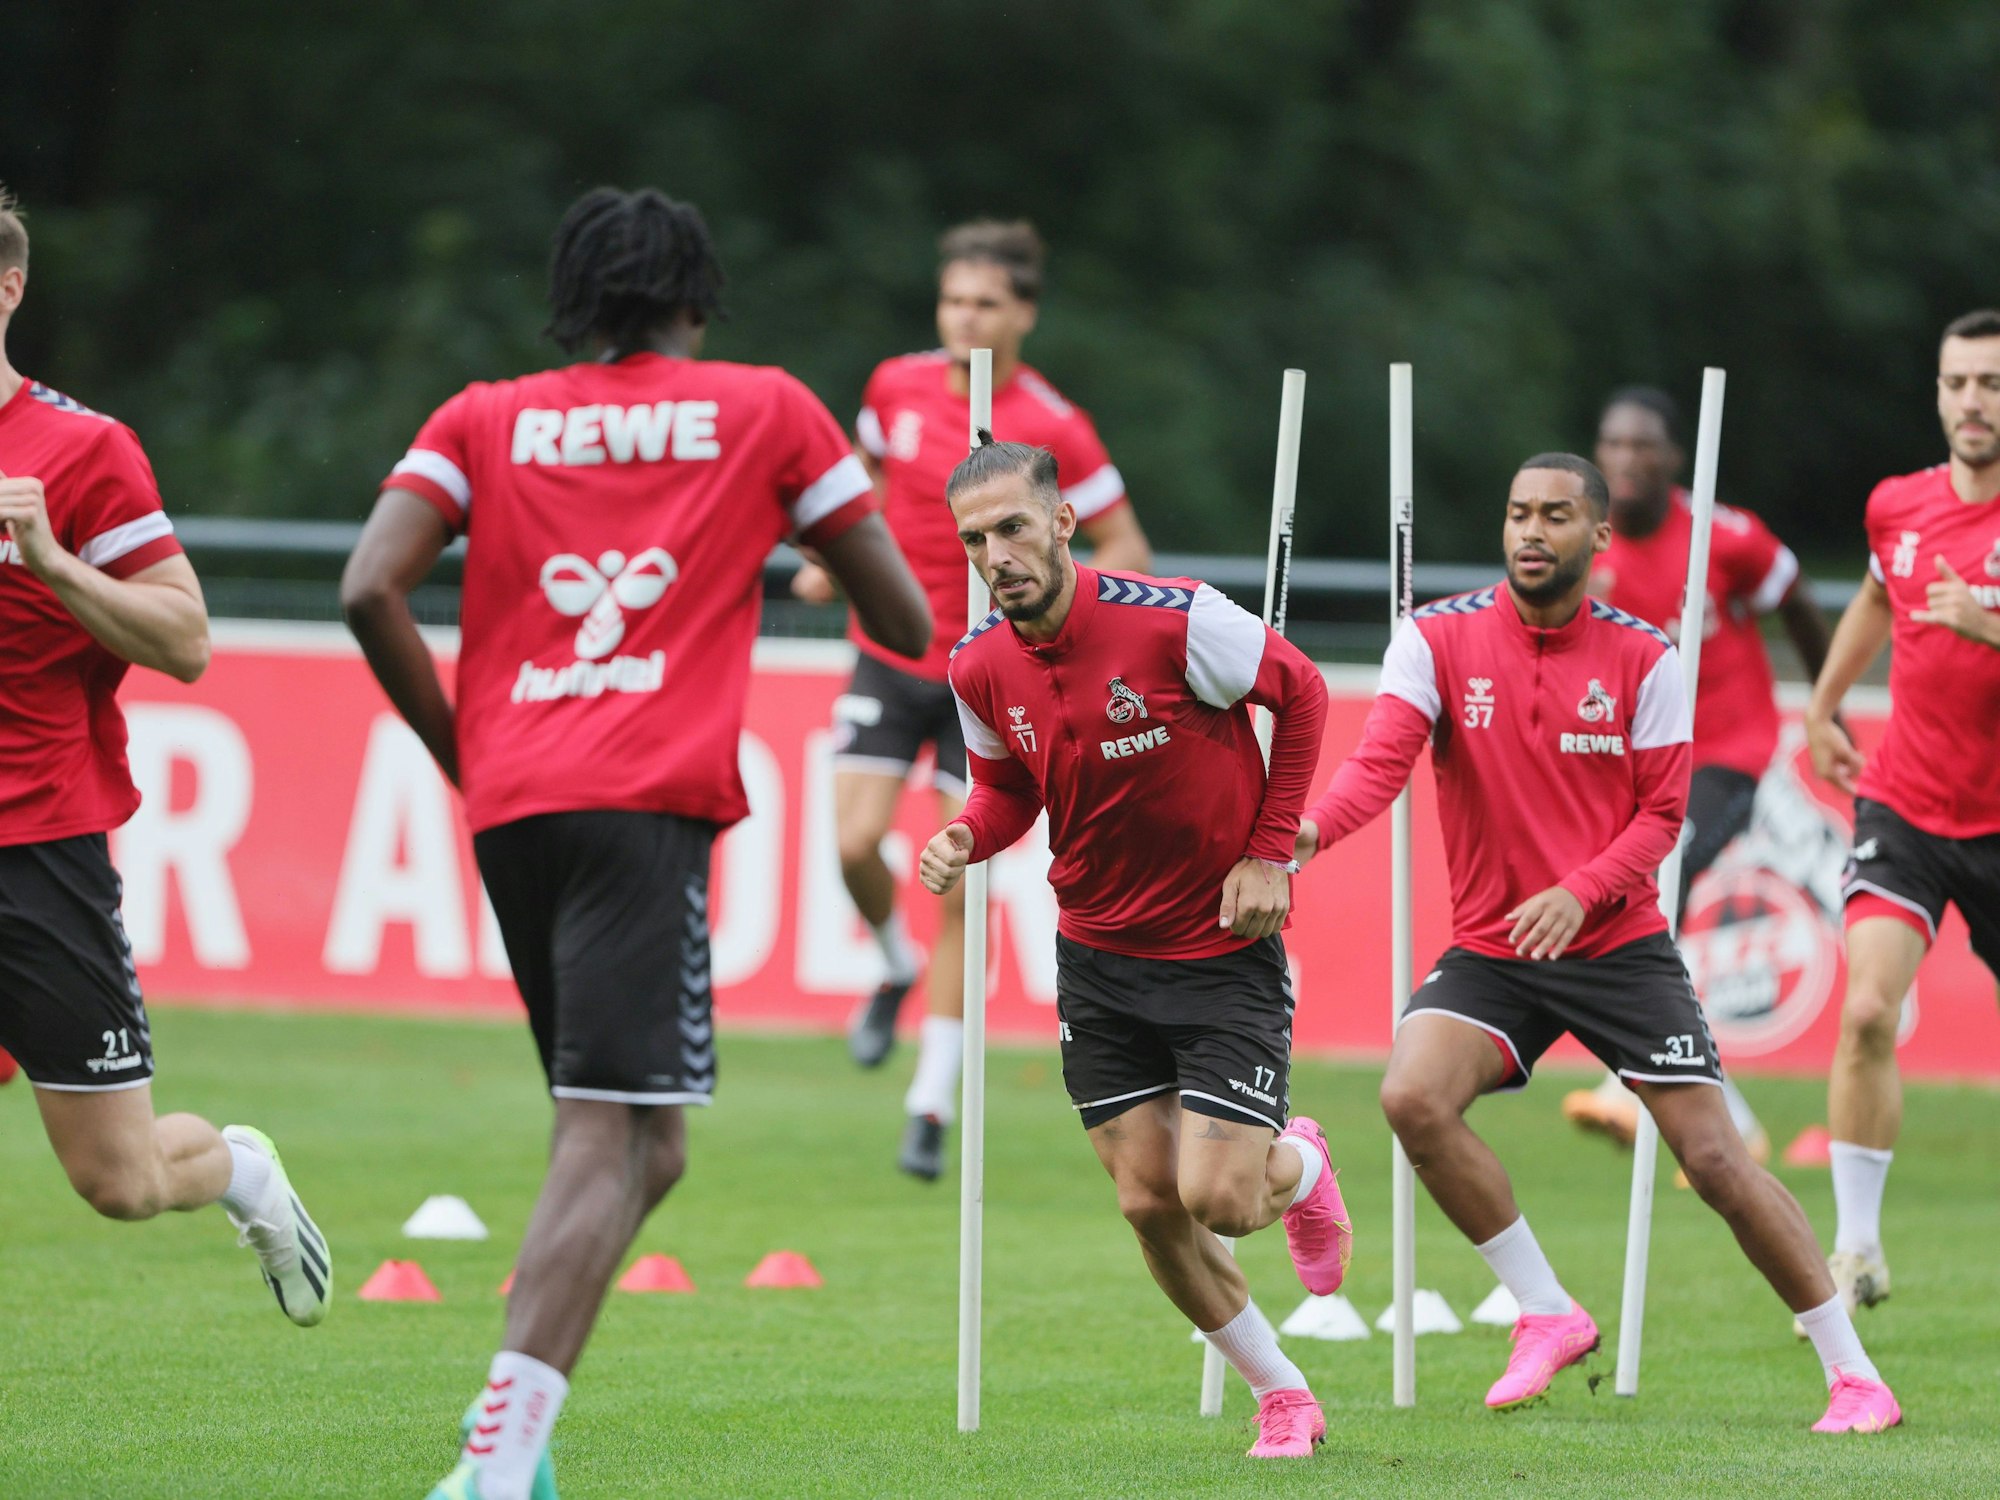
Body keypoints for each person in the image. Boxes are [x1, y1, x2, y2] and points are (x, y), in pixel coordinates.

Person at [343, 186, 929, 1500]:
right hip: (642, 805)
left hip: (515, 802)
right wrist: (787, 525)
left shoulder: (480, 416)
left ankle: (526, 1447)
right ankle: (492, 1465)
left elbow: (366, 584)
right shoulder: (765, 408)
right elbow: (897, 612)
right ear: (695, 296)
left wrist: (464, 750)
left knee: (639, 1139)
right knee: (610, 1133)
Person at [1298, 453, 1900, 1432]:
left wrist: (1578, 895)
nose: (1530, 531)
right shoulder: (1435, 639)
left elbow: (1662, 817)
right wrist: (1314, 829)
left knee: (1712, 1161)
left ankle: (1852, 1374)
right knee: (1410, 1094)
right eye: (1515, 514)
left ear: (1596, 536)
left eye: (1553, 516)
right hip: (1495, 948)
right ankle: (1544, 1311)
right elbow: (1378, 762)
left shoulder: (1644, 656)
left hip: (1615, 945)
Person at [918, 432, 1347, 1459]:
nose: (997, 556)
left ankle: (1300, 1163)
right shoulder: (975, 664)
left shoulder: (1175, 619)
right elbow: (1006, 789)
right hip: (1095, 962)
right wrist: (963, 837)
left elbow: (1302, 694)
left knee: (1218, 1200)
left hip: (1216, 951)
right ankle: (1281, 1393)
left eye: (1013, 528)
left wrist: (1266, 854)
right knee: (1149, 1203)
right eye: (976, 540)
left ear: (1061, 522)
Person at [0, 185, 330, 1327]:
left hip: (39, 850)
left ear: (9, 288)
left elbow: (186, 641)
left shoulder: (83, 452)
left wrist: (49, 559)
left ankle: (243, 1172)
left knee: (120, 1181)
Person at [794, 220, 1152, 1180]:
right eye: (956, 299)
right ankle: (890, 965)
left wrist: (1055, 611)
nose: (968, 317)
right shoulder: (892, 386)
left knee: (966, 882)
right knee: (850, 842)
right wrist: (838, 560)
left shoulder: (1058, 424)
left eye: (989, 303)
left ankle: (930, 1102)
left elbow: (1126, 547)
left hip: (988, 673)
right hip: (888, 650)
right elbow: (865, 486)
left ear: (1025, 315)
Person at [1562, 387, 1836, 1172]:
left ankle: (1636, 1085)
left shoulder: (1725, 535)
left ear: (1675, 459)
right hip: (1640, 764)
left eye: (1643, 446)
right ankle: (1727, 1112)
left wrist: (1827, 704)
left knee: (1657, 883)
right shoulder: (1589, 545)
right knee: (1633, 900)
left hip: (1729, 750)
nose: (1626, 460)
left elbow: (1799, 601)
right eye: (1613, 445)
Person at [1803, 308, 2000, 1327]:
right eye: (1956, 382)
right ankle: (1855, 1247)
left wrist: (1988, 628)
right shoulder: (1899, 506)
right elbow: (1878, 600)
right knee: (1867, 1009)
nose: (1971, 401)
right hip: (1908, 804)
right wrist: (1824, 701)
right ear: (1935, 393)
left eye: (1990, 384)